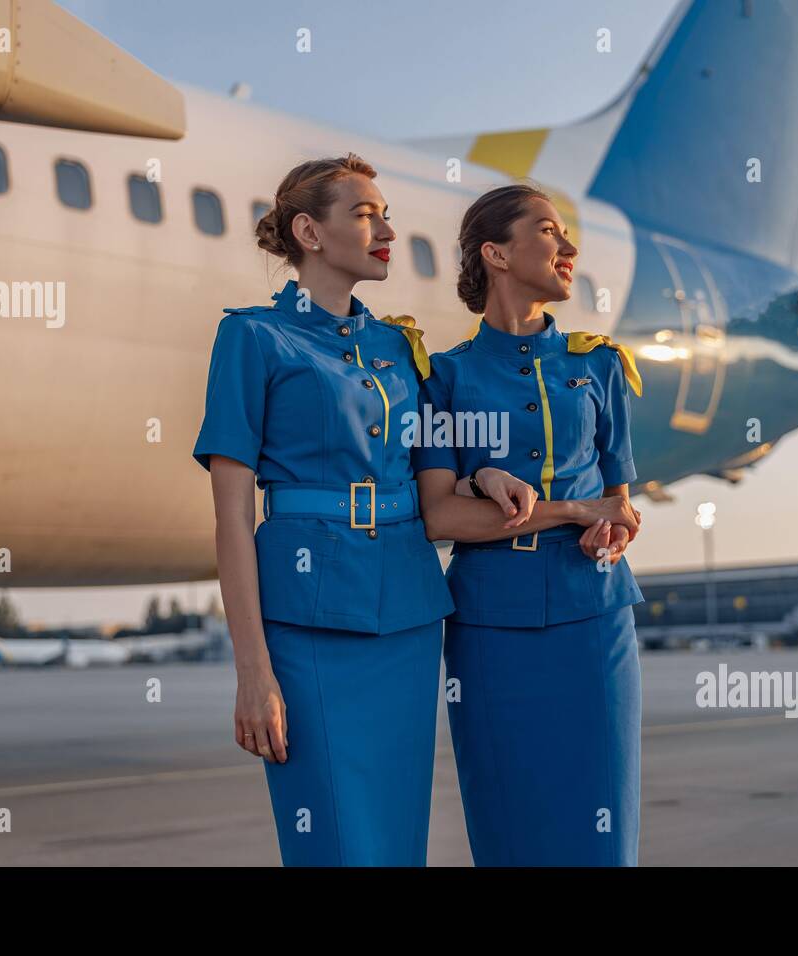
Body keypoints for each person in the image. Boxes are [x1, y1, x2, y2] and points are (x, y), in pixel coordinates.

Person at [192, 154, 454, 866]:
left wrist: (487, 475)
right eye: (366, 214)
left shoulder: (399, 348)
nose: (387, 229)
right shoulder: (251, 337)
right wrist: (253, 671)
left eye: (385, 213)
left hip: (406, 610)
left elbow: (435, 469)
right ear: (308, 230)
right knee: (334, 842)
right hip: (307, 619)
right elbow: (231, 521)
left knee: (399, 839)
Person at [415, 183, 646, 866]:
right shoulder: (443, 379)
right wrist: (575, 511)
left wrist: (614, 525)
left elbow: (621, 505)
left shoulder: (599, 363)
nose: (569, 249)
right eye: (549, 232)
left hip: (594, 617)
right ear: (496, 253)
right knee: (508, 830)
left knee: (602, 829)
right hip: (490, 628)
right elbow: (438, 516)